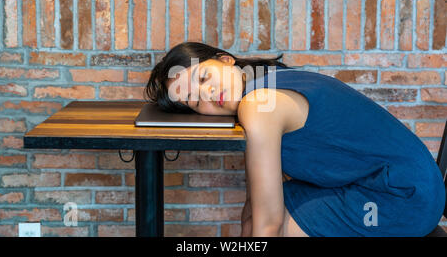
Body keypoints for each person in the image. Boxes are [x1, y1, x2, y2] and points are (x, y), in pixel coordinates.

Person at [144, 41, 446, 237]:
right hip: (405, 183)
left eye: (203, 78)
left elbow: (269, 226)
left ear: (225, 60)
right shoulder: (263, 83)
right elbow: (258, 205)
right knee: (256, 213)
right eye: (196, 102)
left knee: (273, 228)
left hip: (401, 198)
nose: (207, 95)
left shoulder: (258, 105)